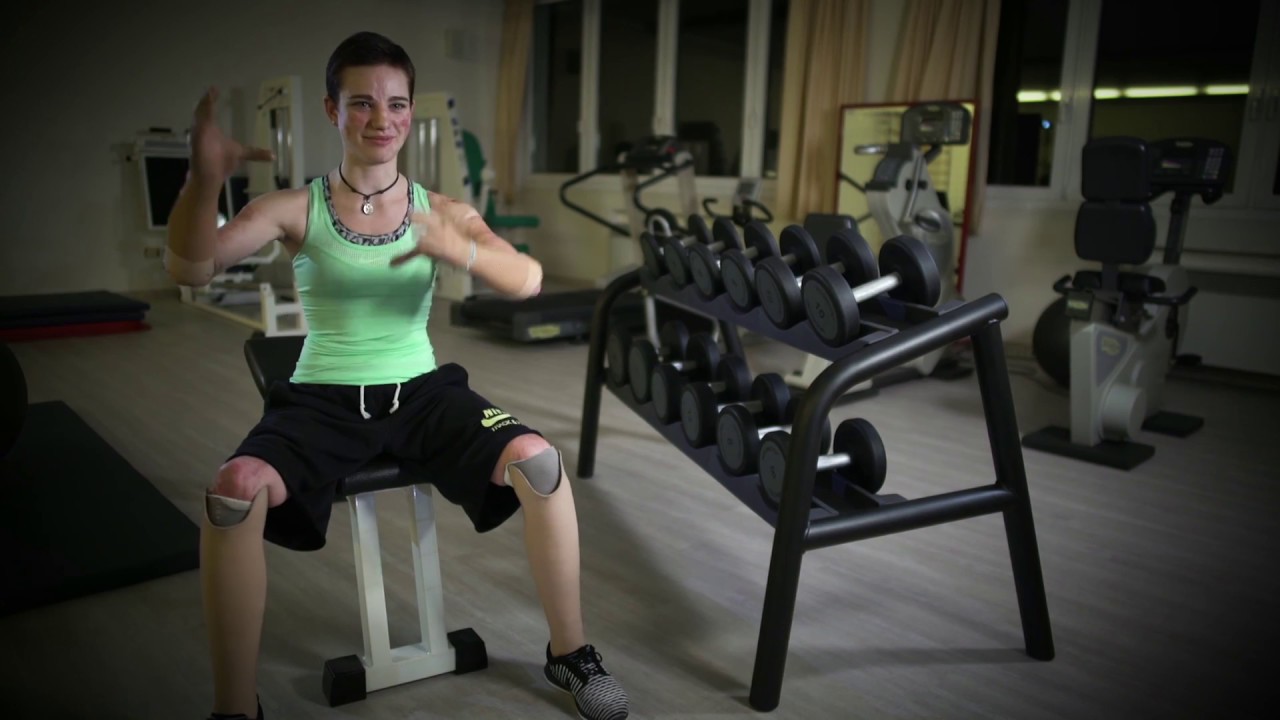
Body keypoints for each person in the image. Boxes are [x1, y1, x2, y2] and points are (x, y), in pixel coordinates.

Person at [165, 30, 630, 720]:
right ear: (332, 110)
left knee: (538, 462)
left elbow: (527, 280)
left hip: (422, 393)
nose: (381, 119)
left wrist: (460, 249)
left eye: (395, 104)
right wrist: (204, 182)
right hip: (322, 397)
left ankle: (570, 653)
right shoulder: (295, 207)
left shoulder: (444, 210)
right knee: (234, 491)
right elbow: (190, 268)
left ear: (410, 113)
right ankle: (236, 706)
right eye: (361, 104)